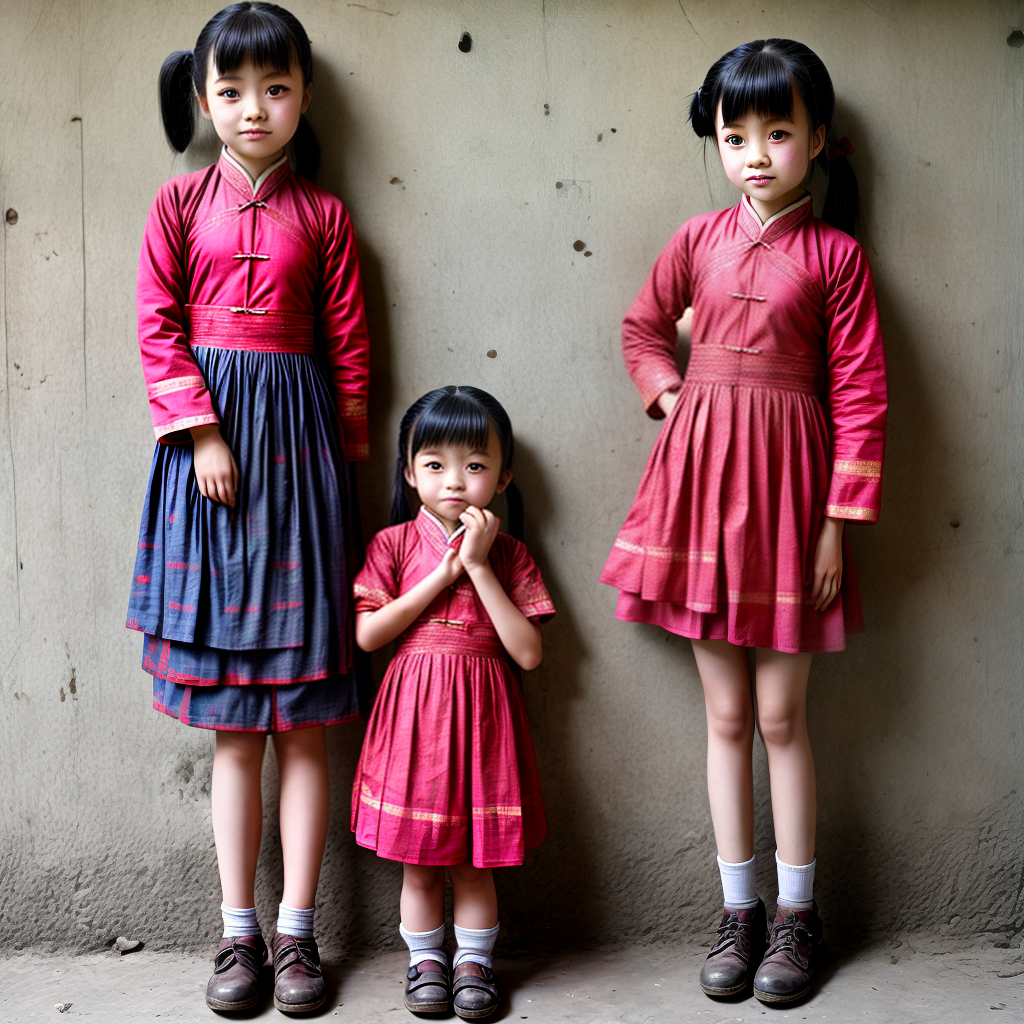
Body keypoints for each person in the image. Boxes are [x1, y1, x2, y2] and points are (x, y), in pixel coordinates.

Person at [601, 39, 887, 1005]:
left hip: (793, 502)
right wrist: (670, 392)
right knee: (724, 716)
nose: (755, 152)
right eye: (736, 135)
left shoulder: (839, 258)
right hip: (697, 493)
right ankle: (740, 913)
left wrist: (836, 523)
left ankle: (800, 921)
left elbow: (861, 394)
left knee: (779, 715)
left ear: (817, 138)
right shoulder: (696, 240)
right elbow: (643, 328)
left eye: (777, 132)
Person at [125, 2, 370, 1013]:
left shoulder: (327, 217)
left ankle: (300, 936)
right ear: (203, 98)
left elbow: (351, 354)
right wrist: (204, 432)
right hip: (208, 479)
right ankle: (238, 936)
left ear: (304, 95)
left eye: (275, 89)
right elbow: (156, 328)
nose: (253, 109)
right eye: (231, 91)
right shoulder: (178, 206)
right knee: (235, 729)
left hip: (303, 480)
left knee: (305, 725)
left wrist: (341, 480)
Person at [351, 386, 553, 1020]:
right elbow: (368, 635)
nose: (455, 481)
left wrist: (481, 567)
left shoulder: (512, 554)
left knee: (472, 864)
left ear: (502, 476)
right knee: (417, 862)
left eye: (475, 465)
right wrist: (443, 574)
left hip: (485, 722)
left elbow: (527, 653)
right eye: (434, 464)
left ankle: (474, 965)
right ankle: (425, 963)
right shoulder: (391, 547)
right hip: (413, 721)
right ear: (409, 474)